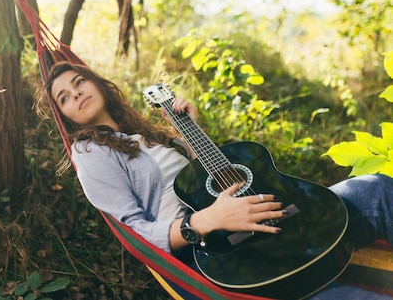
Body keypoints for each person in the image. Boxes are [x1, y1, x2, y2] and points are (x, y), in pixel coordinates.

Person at [35, 61, 393, 300]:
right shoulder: (90, 153)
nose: (76, 93)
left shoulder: (145, 133)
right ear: (64, 117)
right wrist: (207, 221)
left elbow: (205, 179)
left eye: (79, 82)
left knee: (376, 188)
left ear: (99, 84)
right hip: (214, 251)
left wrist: (191, 132)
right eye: (64, 97)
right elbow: (135, 234)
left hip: (254, 214)